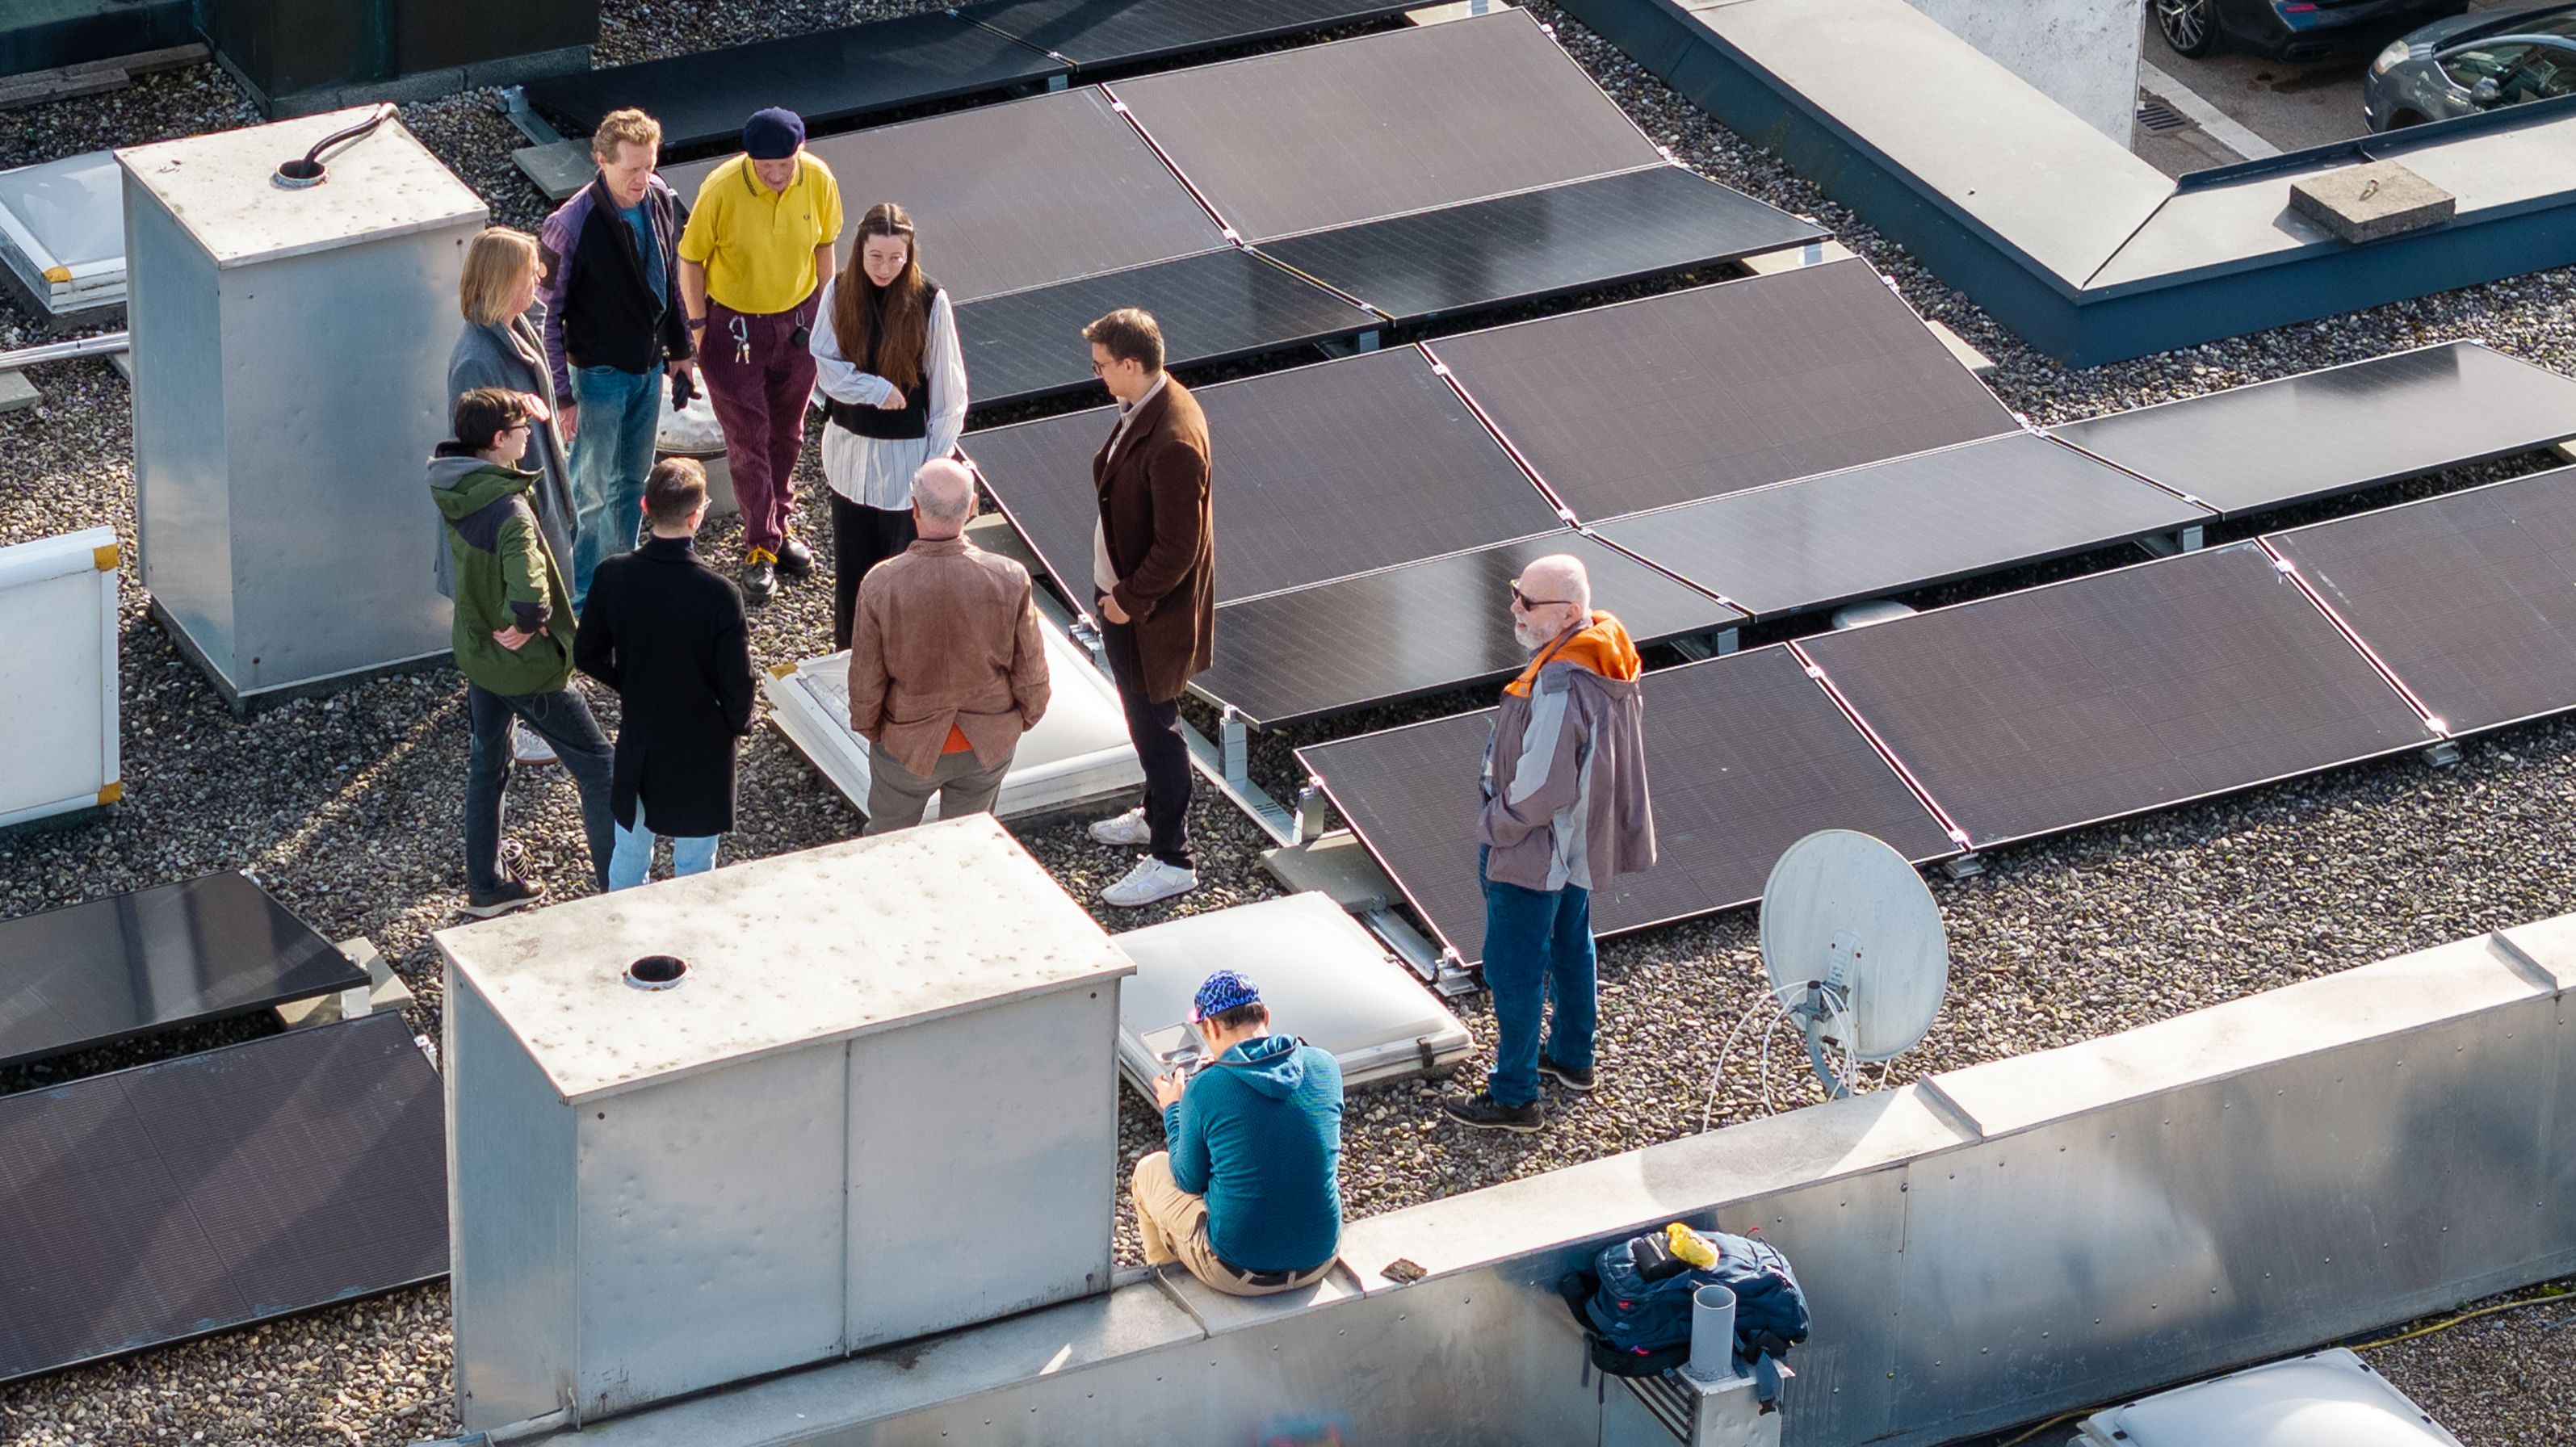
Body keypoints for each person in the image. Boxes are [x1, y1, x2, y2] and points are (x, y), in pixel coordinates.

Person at [1444, 554, 1657, 1133]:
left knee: (1513, 970)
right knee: (1570, 942)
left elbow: (1542, 785)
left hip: (1536, 847)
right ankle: (1571, 1056)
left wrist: (1497, 824)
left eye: (1529, 601)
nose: (1514, 607)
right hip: (1578, 842)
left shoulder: (1563, 680)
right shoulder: (1606, 650)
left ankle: (1514, 1097)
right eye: (1517, 591)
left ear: (1567, 613)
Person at [429, 388, 618, 916]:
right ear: (497, 440)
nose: (527, 437)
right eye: (520, 430)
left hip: (478, 653)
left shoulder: (457, 486)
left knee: (488, 763)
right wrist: (527, 621)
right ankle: (619, 891)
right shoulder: (508, 507)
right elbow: (530, 585)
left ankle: (487, 887)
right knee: (601, 768)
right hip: (522, 668)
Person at [677, 105, 843, 605]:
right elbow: (690, 258)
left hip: (797, 322)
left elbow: (825, 245)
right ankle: (760, 545)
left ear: (800, 152)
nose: (775, 175)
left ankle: (779, 522)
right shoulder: (721, 188)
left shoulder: (818, 179)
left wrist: (826, 315)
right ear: (749, 158)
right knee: (748, 438)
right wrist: (699, 326)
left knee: (788, 433)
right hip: (734, 326)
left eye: (784, 165)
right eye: (765, 167)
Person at [537, 106, 696, 612]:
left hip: (648, 370)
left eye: (650, 166)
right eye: (632, 169)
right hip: (598, 376)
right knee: (589, 493)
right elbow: (547, 318)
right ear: (601, 161)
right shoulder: (569, 225)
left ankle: (619, 579)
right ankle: (580, 596)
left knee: (631, 483)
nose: (642, 179)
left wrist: (680, 351)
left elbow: (669, 280)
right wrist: (563, 396)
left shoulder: (660, 198)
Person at [1078, 308, 1212, 908]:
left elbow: (1179, 547)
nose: (1098, 376)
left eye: (1102, 366)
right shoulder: (1151, 405)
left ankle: (1172, 858)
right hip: (1129, 604)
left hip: (1146, 616)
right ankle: (1156, 815)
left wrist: (1127, 604)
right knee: (1146, 719)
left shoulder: (1173, 437)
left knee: (1156, 728)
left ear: (1131, 364)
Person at [573, 459, 757, 889]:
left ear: (644, 506)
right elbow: (738, 681)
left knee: (630, 853)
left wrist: (629, 682)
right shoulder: (719, 594)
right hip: (703, 744)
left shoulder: (612, 575)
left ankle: (620, 925)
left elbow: (587, 654)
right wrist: (735, 724)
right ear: (696, 516)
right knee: (694, 865)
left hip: (641, 736)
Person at [845, 459, 1050, 833]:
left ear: (914, 508)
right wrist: (1022, 719)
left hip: (907, 741)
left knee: (887, 843)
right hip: (987, 741)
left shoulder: (881, 584)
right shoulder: (1010, 577)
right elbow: (1031, 672)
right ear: (972, 507)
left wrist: (872, 729)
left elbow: (866, 679)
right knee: (968, 842)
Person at [809, 201, 968, 651]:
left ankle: (900, 661)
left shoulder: (930, 301)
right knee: (852, 576)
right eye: (876, 257)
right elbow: (825, 365)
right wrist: (875, 389)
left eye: (896, 258)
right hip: (848, 458)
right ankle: (850, 655)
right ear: (860, 250)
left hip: (905, 465)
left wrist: (931, 469)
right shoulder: (838, 292)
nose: (885, 268)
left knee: (901, 577)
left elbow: (949, 394)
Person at [449, 227, 580, 767]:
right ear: (503, 281)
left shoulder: (516, 327)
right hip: (516, 508)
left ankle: (515, 717)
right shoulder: (476, 361)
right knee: (522, 616)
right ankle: (532, 721)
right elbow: (478, 456)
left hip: (540, 489)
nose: (539, 279)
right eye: (530, 272)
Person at [1132, 971, 1343, 1298]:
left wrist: (1174, 1108)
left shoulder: (1206, 1088)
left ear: (1211, 1028)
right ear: (1265, 1015)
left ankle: (1165, 1286)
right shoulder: (1325, 1064)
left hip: (1238, 1271)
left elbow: (1187, 1179)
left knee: (1150, 1169)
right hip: (1320, 1256)